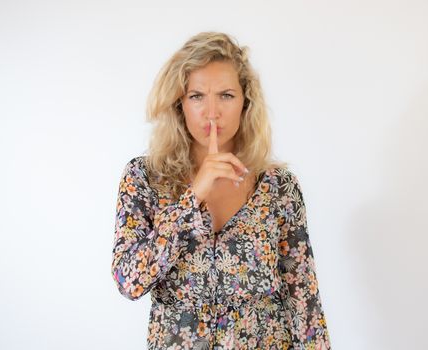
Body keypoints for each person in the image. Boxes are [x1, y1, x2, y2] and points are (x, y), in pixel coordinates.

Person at [111, 31, 332, 350]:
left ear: (246, 103)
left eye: (226, 95)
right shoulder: (145, 177)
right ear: (179, 104)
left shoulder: (279, 187)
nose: (211, 112)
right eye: (197, 95)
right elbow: (128, 281)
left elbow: (304, 302)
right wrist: (193, 198)